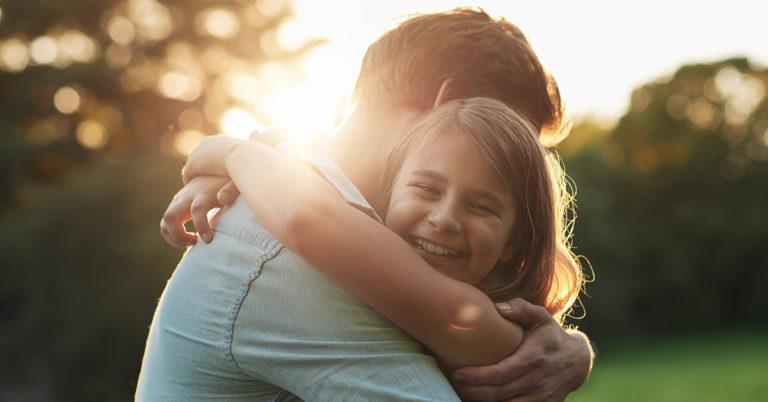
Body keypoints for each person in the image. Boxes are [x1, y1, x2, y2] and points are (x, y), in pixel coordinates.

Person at [141, 8, 592, 401]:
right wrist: (238, 155)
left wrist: (572, 349)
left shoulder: (321, 206)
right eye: (499, 135)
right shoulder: (297, 257)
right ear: (451, 105)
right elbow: (307, 218)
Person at [180, 97, 582, 372]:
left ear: (514, 244)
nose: (444, 219)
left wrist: (235, 155)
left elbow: (305, 216)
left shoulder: (486, 324)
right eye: (426, 189)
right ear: (390, 194)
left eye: (480, 206)